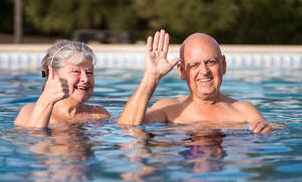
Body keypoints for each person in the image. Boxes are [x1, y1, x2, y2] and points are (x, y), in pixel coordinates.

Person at [117, 30, 273, 134]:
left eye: (211, 62)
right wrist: (151, 76)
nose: (204, 71)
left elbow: (270, 137)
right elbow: (126, 128)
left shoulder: (244, 111)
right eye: (194, 65)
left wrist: (269, 130)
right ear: (182, 71)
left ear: (223, 65)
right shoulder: (168, 110)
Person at [14, 40, 110, 128]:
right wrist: (46, 101)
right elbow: (33, 142)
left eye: (89, 73)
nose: (85, 79)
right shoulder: (29, 113)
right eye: (76, 71)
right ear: (53, 74)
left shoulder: (99, 115)